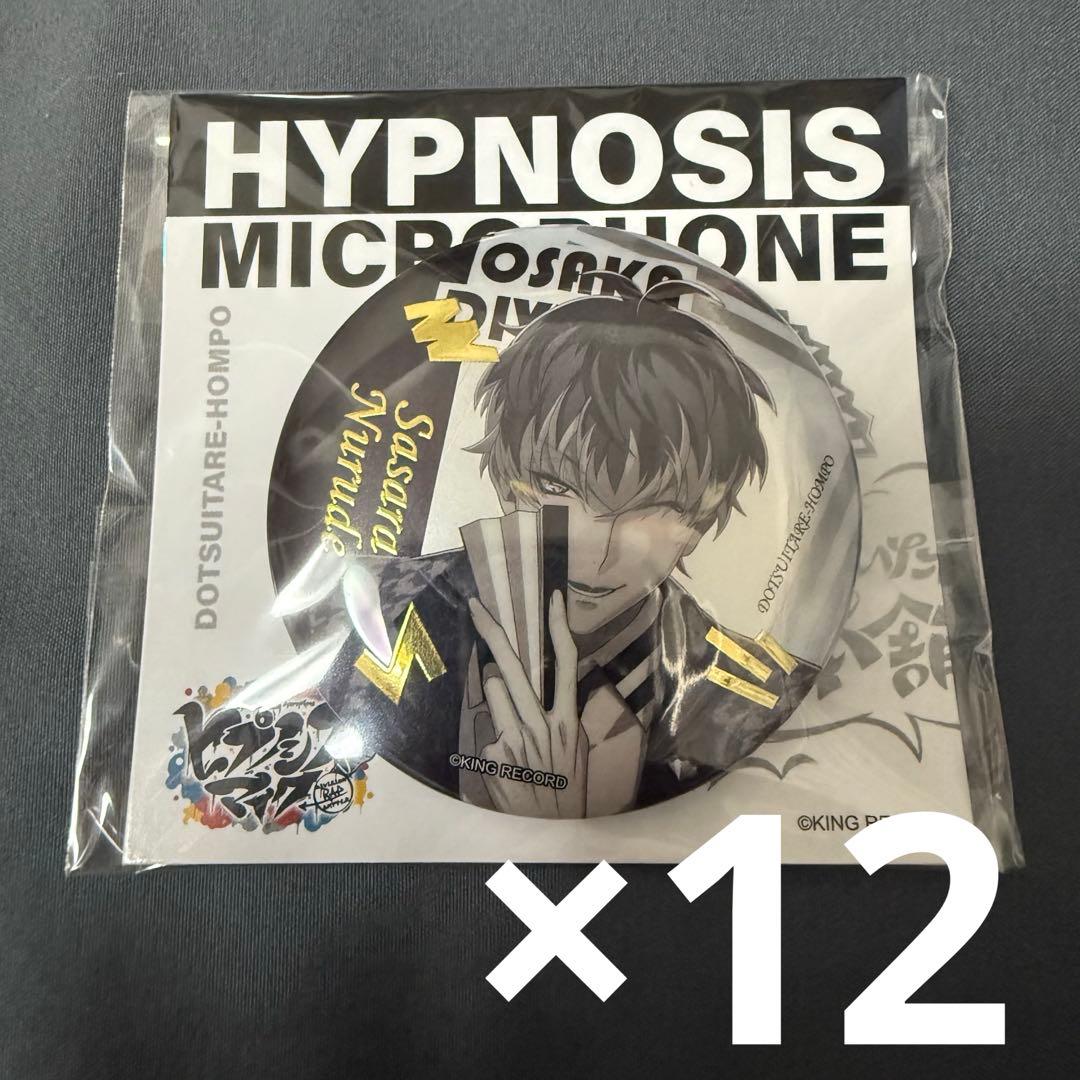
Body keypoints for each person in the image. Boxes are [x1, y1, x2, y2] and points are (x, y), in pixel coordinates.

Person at [321, 277, 819, 817]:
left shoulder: (756, 701)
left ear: (697, 525)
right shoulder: (378, 607)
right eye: (557, 488)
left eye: (651, 509)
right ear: (507, 482)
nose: (595, 555)